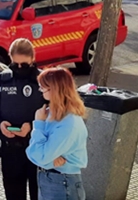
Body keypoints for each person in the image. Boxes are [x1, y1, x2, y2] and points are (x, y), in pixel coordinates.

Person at [0, 39, 46, 200]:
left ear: (32, 59)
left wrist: (33, 126)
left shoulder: (43, 80)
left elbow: (55, 115)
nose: (20, 69)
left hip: (37, 149)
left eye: (24, 65)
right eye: (15, 64)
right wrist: (0, 125)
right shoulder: (3, 79)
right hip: (10, 149)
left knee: (39, 194)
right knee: (13, 194)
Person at [26, 68, 88, 200]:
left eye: (43, 88)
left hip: (63, 182)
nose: (41, 92)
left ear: (54, 90)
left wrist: (38, 123)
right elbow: (37, 154)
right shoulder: (52, 114)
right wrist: (49, 162)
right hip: (52, 179)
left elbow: (40, 155)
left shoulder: (68, 123)